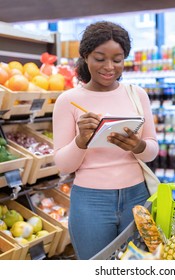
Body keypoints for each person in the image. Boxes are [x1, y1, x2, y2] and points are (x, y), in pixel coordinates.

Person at [52, 21, 158, 260]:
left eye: (117, 59)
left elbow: (151, 150)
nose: (109, 67)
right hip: (90, 202)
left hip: (137, 197)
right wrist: (81, 140)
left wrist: (138, 146)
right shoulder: (68, 100)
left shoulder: (137, 94)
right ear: (85, 56)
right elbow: (63, 165)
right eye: (100, 58)